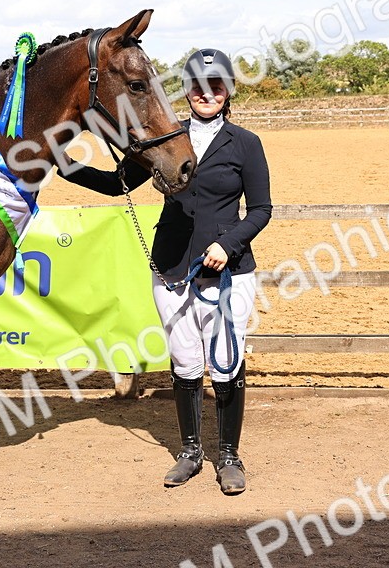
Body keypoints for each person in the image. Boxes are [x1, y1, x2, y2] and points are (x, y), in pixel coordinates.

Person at [58, 48, 272, 495]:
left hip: (228, 270)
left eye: (216, 86)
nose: (206, 94)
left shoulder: (245, 143)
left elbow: (262, 210)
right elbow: (117, 183)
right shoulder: (163, 138)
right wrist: (63, 162)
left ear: (227, 91)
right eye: (198, 85)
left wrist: (227, 244)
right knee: (185, 361)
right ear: (187, 91)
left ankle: (229, 457)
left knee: (226, 362)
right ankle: (191, 452)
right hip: (172, 266)